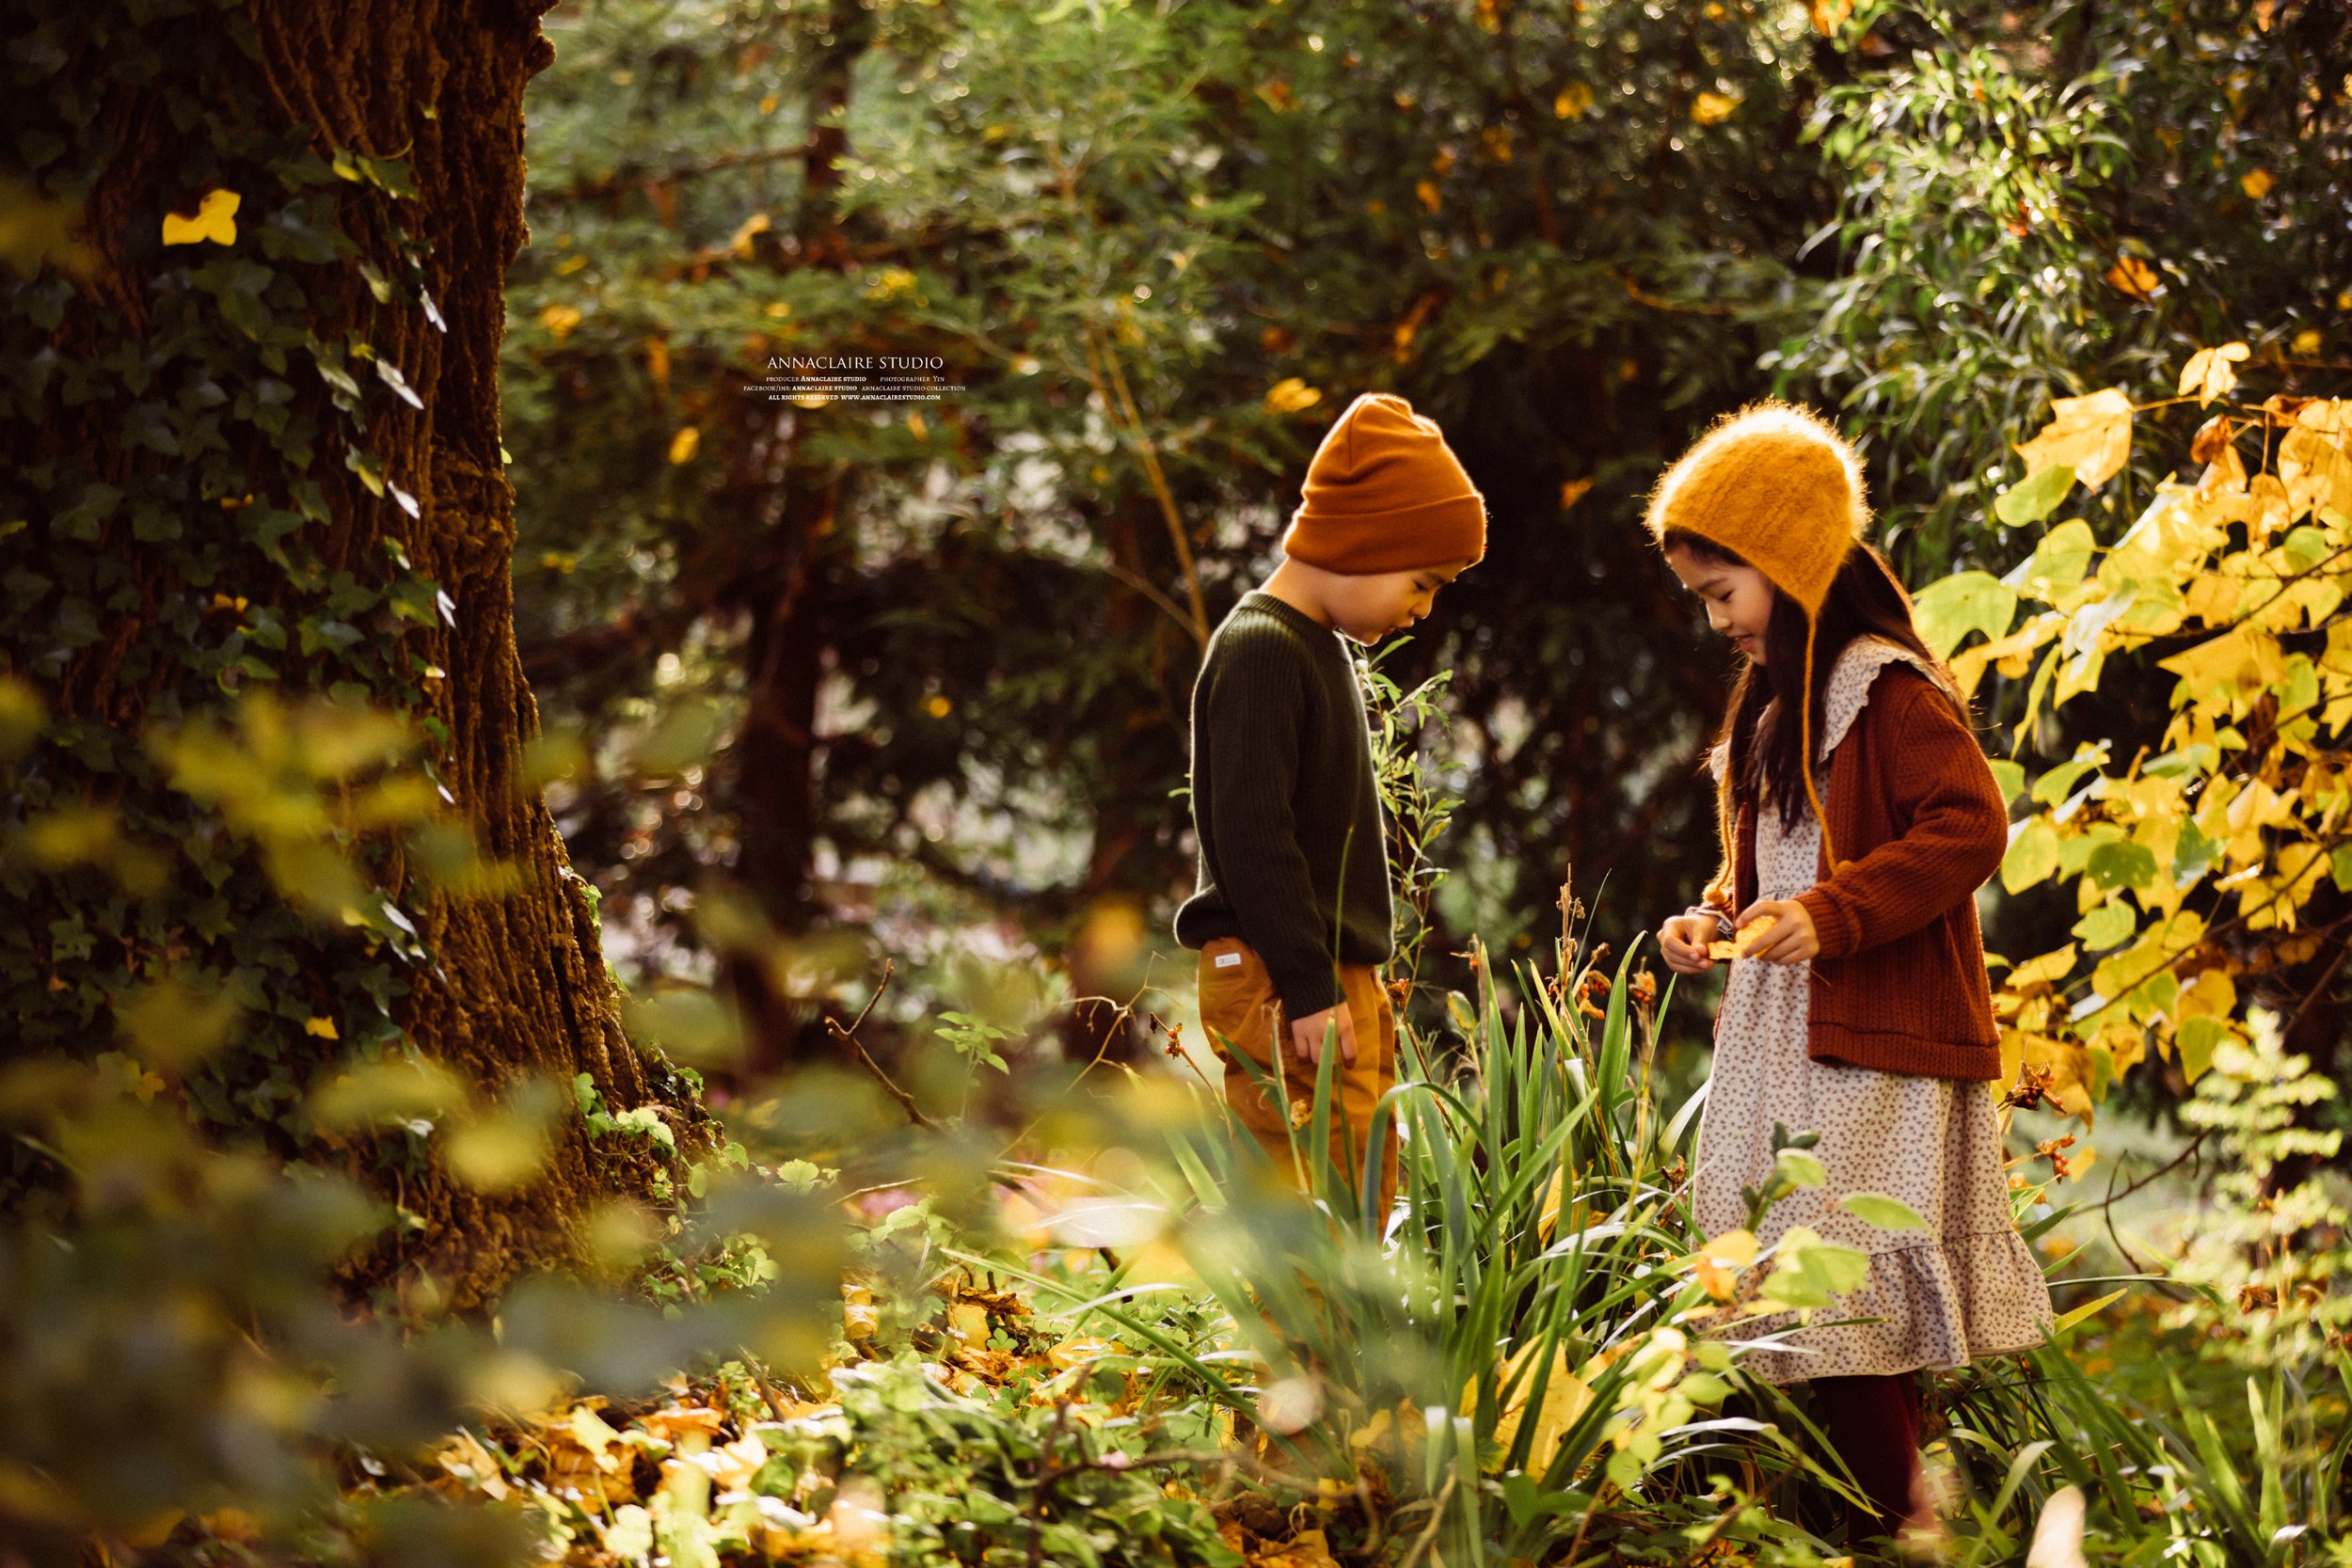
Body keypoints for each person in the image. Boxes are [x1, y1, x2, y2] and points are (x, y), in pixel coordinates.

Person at [1645, 403, 2055, 1556]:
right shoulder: (1776, 704)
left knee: (1836, 1289)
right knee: (1819, 1292)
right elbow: (1775, 862)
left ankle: (1901, 1525)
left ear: (1789, 563)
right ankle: (1897, 1523)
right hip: (1786, 1034)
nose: (1716, 618)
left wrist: (1832, 916)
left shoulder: (1886, 689)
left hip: (1867, 1038)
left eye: (1723, 590)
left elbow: (1969, 827)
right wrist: (1715, 917)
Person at [1176, 391, 1483, 1222]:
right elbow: (1253, 836)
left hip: (1324, 969)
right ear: (1363, 540)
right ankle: (1306, 1353)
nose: (1424, 607)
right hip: (1285, 974)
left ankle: (1349, 1349)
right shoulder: (1263, 650)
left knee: (1358, 1167)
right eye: (1422, 583)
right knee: (1304, 1186)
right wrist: (1311, 987)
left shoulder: (1316, 645)